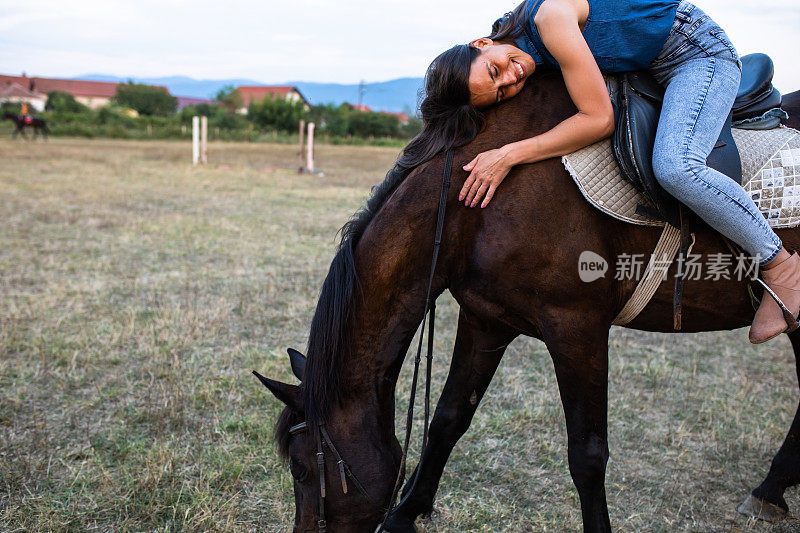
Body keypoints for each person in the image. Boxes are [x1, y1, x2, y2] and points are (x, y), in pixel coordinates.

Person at [413, 0, 800, 344]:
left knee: (677, 165)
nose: (510, 79)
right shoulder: (516, 41)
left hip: (694, 52)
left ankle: (779, 264)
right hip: (646, 63)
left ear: (482, 43)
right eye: (499, 92)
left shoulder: (550, 18)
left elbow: (598, 120)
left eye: (494, 71)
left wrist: (509, 154)